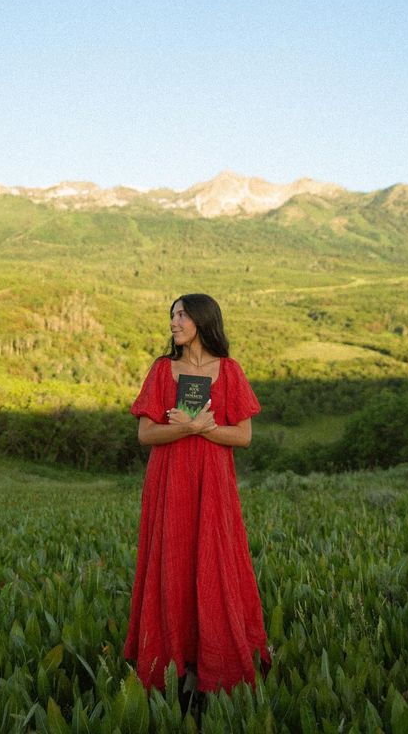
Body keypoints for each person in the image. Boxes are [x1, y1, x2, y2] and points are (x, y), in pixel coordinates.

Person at [123, 293, 270, 698]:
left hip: (213, 482)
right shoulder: (162, 370)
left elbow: (241, 436)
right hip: (169, 479)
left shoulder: (231, 371)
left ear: (203, 320)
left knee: (213, 562)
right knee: (173, 562)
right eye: (171, 315)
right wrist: (189, 428)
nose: (173, 322)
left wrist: (204, 428)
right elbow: (146, 434)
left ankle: (211, 662)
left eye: (182, 315)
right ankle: (177, 663)